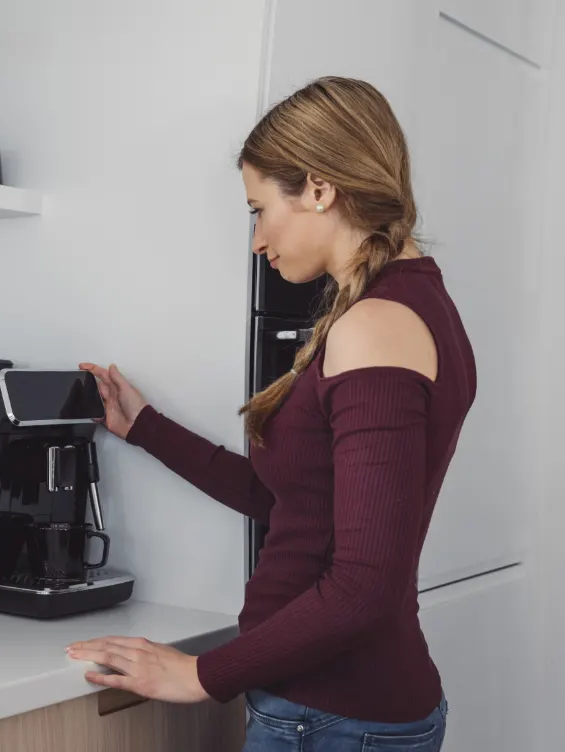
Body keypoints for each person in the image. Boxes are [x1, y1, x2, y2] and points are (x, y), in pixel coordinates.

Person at [67, 77, 473, 752]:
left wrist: (203, 674)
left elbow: (364, 587)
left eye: (259, 209)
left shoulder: (376, 326)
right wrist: (146, 429)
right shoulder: (410, 307)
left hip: (336, 715)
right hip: (340, 709)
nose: (257, 240)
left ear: (319, 189)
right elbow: (293, 501)